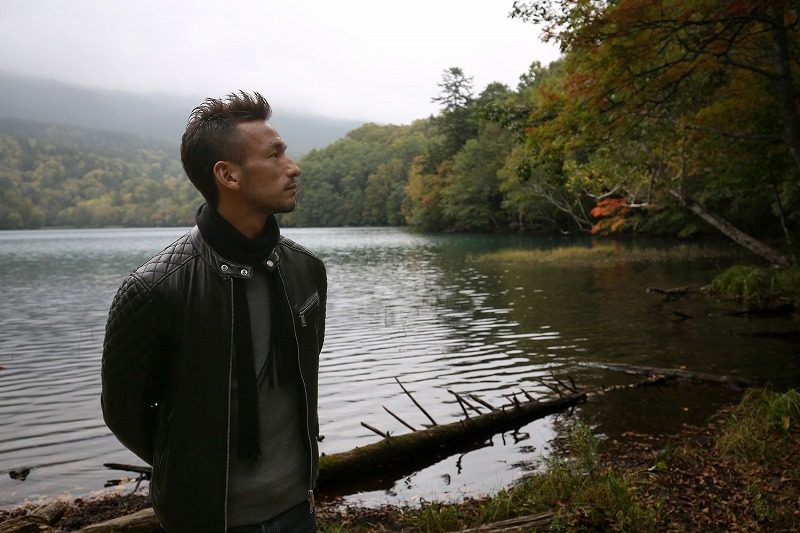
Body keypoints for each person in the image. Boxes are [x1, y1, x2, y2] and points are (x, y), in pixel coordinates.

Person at [101, 91, 327, 532]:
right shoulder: (155, 289)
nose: (293, 167)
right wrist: (191, 470)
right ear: (228, 175)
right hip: (204, 520)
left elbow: (304, 375)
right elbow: (124, 413)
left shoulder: (305, 271)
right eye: (275, 154)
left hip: (298, 510)